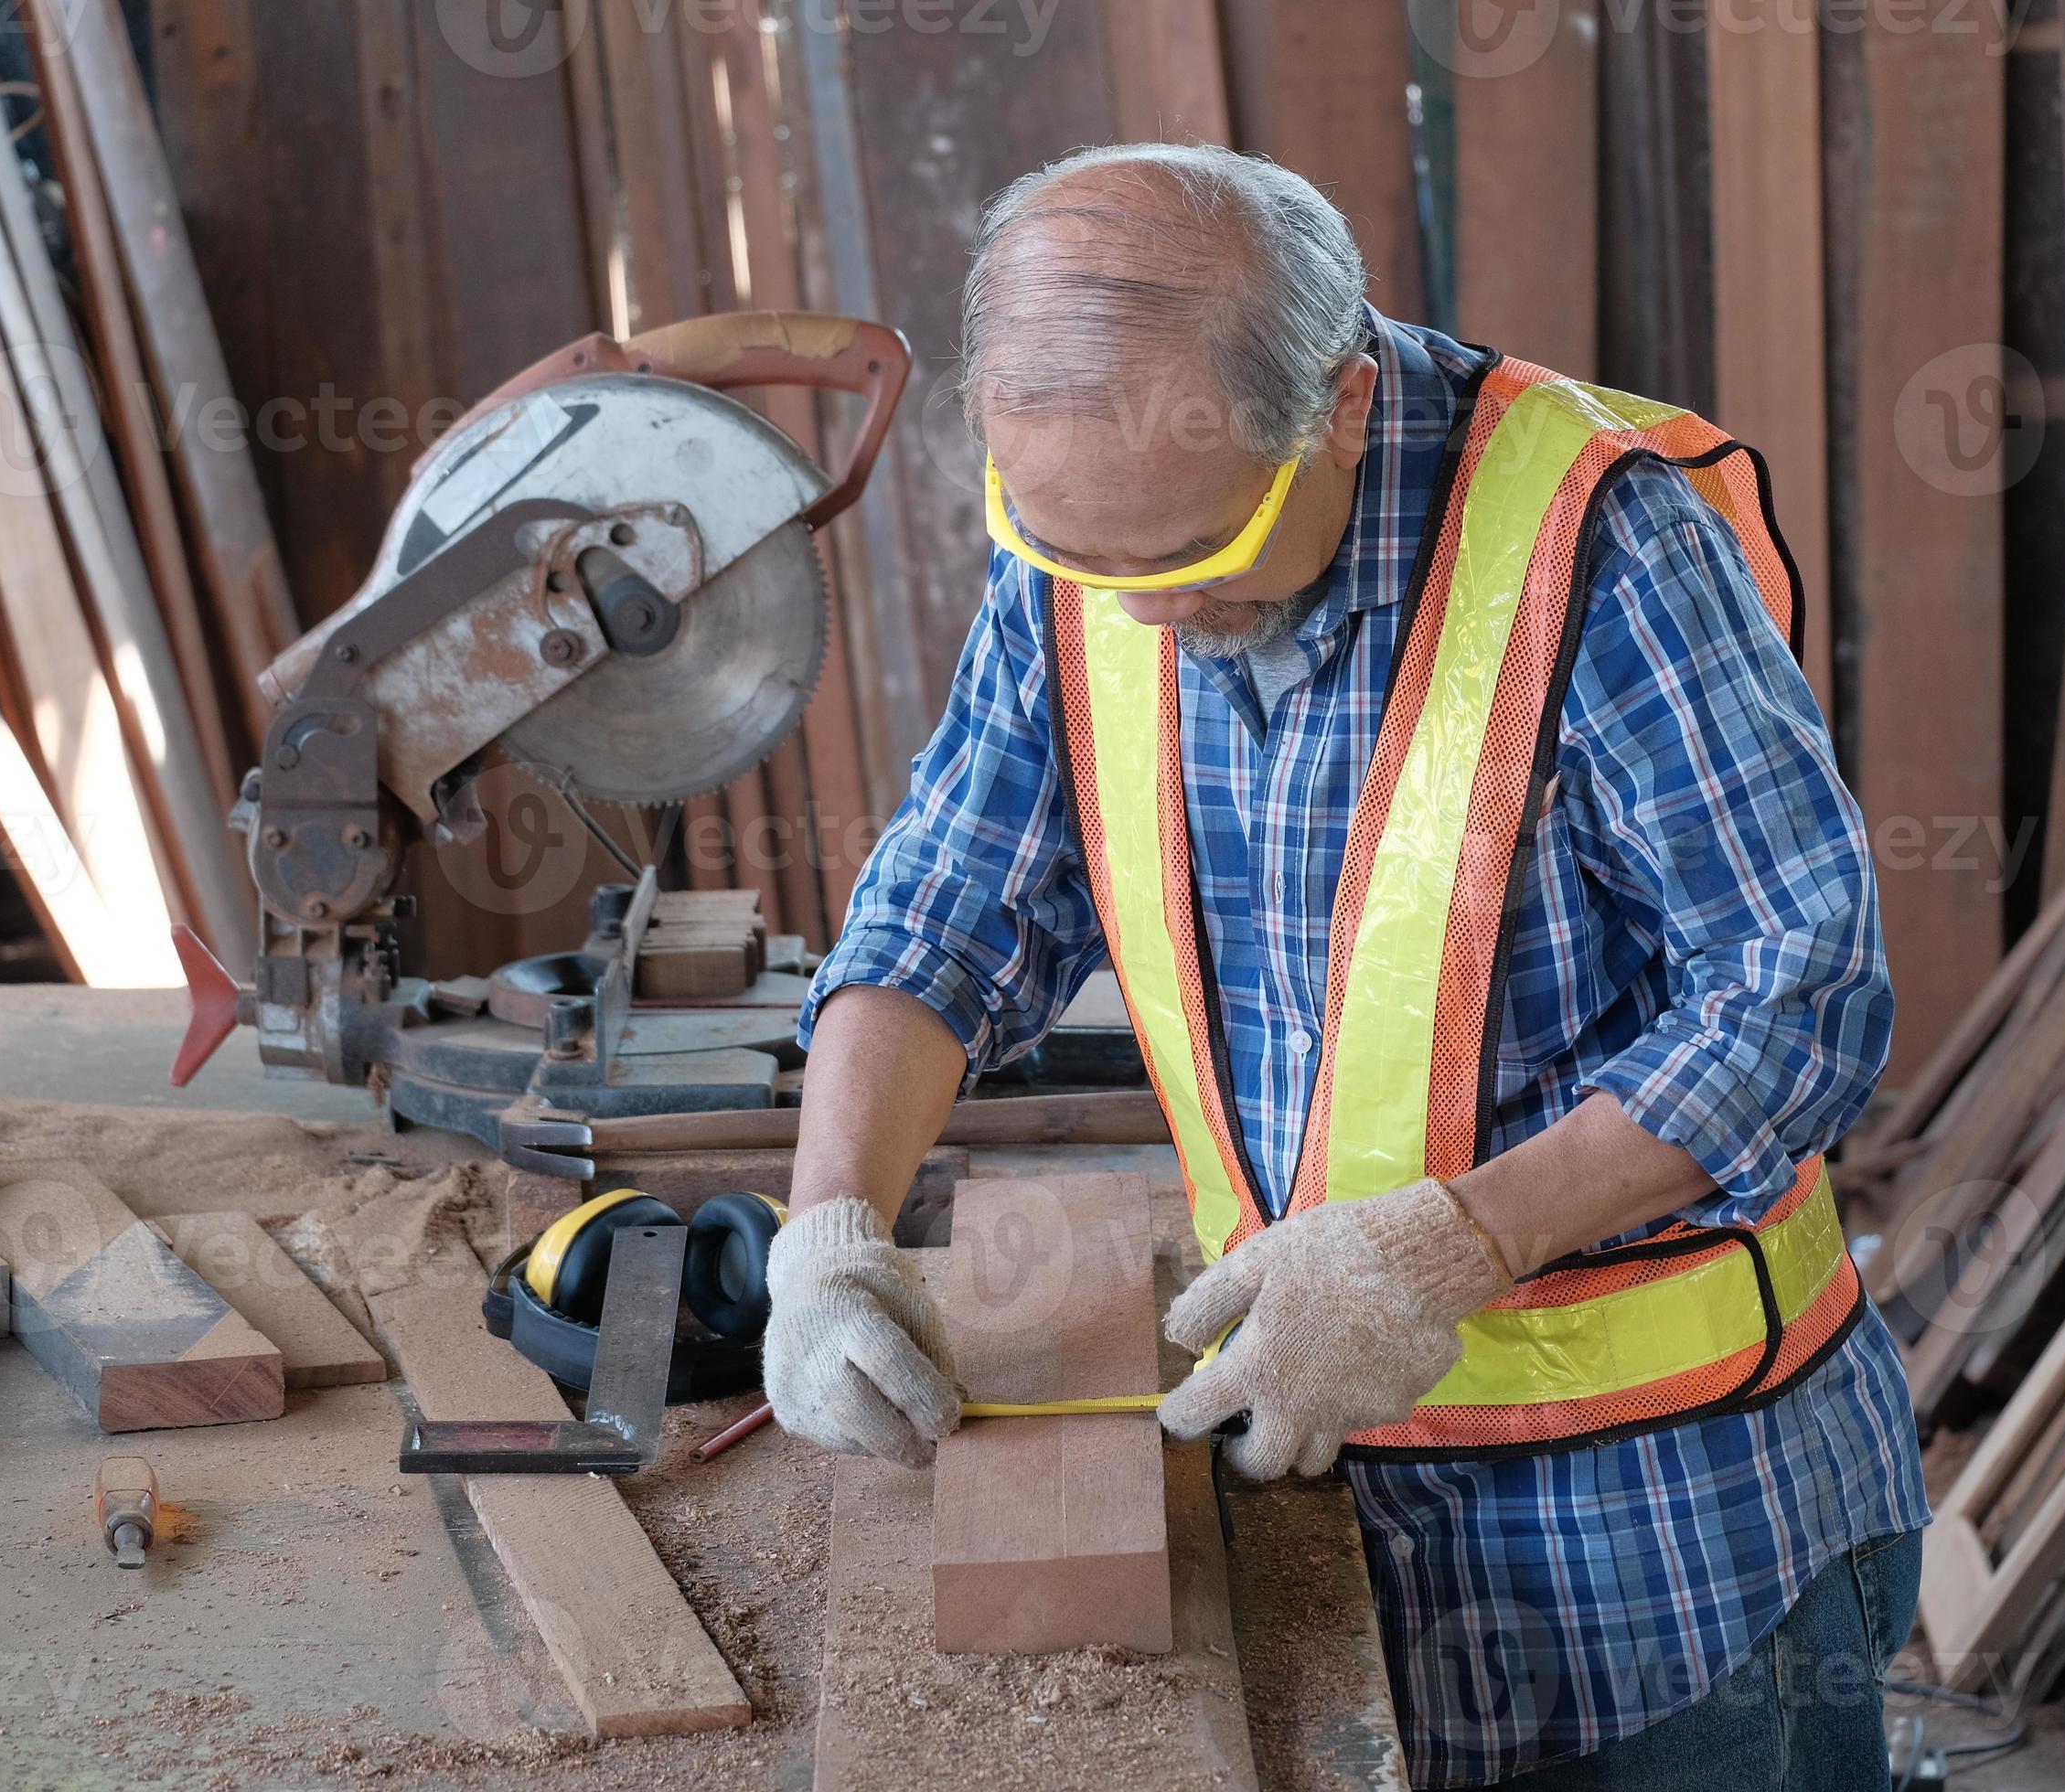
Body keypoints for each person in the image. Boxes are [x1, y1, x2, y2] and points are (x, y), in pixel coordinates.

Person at [759, 142, 1927, 1789]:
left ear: (1347, 405)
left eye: (1194, 559)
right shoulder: (1092, 538)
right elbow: (949, 906)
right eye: (1090, 562)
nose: (1143, 614)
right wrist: (831, 1227)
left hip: (1666, 1527)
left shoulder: (1606, 545)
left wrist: (1449, 1249)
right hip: (1312, 1469)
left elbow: (1799, 995)